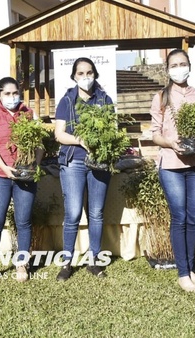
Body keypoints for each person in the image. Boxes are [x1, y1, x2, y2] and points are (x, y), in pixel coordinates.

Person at [149, 49, 195, 292]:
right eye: (173, 65)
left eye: (182, 63)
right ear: (167, 70)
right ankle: (183, 273)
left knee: (193, 218)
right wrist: (171, 143)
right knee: (180, 217)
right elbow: (155, 134)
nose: (179, 68)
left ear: (190, 65)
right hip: (172, 165)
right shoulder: (161, 98)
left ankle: (190, 269)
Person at [0, 77, 42, 285]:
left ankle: (22, 263)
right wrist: (5, 168)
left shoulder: (30, 114)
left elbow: (39, 144)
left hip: (25, 176)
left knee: (23, 221)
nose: (12, 97)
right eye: (7, 94)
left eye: (15, 93)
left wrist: (35, 165)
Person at [54, 57, 113, 281]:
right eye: (81, 73)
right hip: (74, 162)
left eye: (89, 72)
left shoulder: (104, 99)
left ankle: (94, 261)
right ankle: (67, 263)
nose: (85, 77)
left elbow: (110, 130)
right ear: (74, 76)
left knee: (96, 213)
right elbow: (59, 134)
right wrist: (80, 140)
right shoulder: (66, 101)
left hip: (99, 162)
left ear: (95, 74)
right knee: (73, 213)